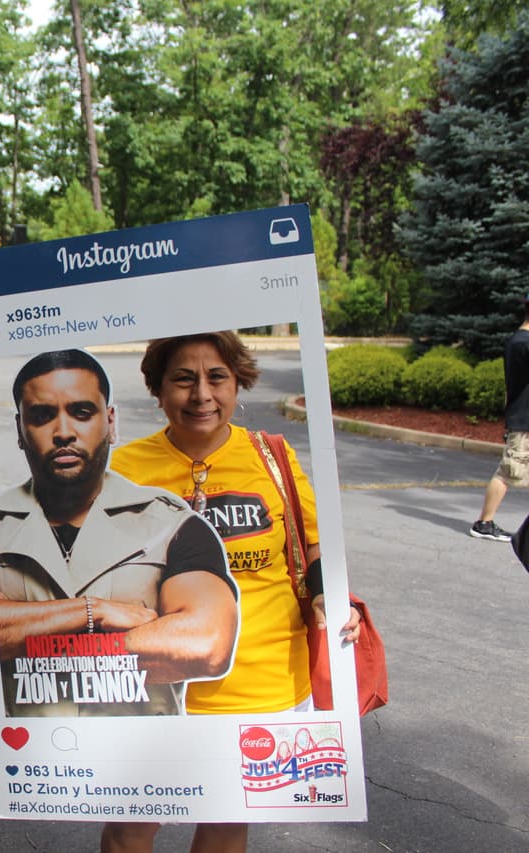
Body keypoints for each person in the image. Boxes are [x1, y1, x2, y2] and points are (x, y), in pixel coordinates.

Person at [104, 331, 361, 853]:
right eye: (183, 379)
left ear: (237, 383)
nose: (202, 395)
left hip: (262, 685)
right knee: (131, 829)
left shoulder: (273, 457)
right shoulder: (123, 470)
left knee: (225, 825)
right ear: (157, 390)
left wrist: (326, 597)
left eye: (217, 377)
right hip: (153, 692)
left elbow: (314, 547)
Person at [0, 349, 238, 718]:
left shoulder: (173, 525)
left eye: (82, 413)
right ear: (20, 431)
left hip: (142, 765)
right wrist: (94, 612)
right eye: (42, 416)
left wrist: (31, 636)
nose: (63, 432)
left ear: (111, 422)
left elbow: (205, 644)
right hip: (32, 764)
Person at [470, 298, 529, 541]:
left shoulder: (518, 340)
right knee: (508, 471)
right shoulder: (523, 343)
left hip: (522, 415)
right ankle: (484, 523)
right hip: (524, 419)